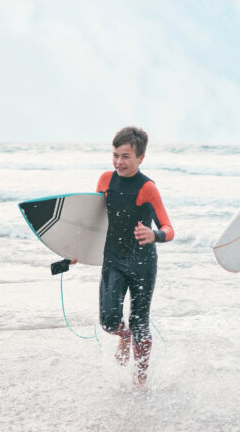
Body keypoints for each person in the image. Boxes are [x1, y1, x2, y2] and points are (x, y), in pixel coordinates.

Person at [71, 126, 174, 389]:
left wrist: (155, 235)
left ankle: (140, 380)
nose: (119, 162)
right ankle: (123, 336)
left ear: (140, 158)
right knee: (108, 321)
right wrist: (76, 250)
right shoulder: (105, 180)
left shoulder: (147, 188)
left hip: (142, 263)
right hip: (114, 259)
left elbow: (169, 229)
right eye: (115, 155)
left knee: (141, 323)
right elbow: (94, 221)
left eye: (126, 156)